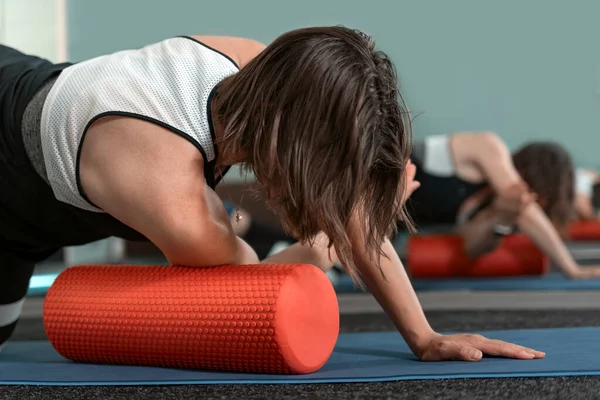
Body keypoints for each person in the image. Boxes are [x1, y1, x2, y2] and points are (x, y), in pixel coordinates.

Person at [0, 26, 544, 362]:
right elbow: (250, 288)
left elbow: (347, 213)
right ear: (290, 143)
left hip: (29, 184)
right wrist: (324, 242)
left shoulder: (258, 68)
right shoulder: (171, 190)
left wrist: (423, 337)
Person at [406, 133, 600, 278]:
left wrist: (501, 221)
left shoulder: (493, 205)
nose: (529, 200)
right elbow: (527, 210)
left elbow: (472, 248)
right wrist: (572, 268)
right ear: (525, 169)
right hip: (382, 175)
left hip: (388, 220)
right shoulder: (488, 147)